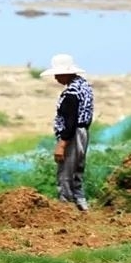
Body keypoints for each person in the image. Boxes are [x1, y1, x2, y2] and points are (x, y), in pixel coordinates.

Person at [41, 53, 95, 211]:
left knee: (65, 172)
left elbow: (70, 122)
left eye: (58, 74)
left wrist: (62, 144)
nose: (56, 78)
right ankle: (81, 205)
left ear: (66, 73)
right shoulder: (83, 86)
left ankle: (66, 208)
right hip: (82, 133)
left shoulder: (71, 93)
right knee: (76, 172)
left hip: (72, 135)